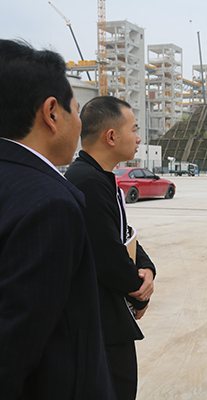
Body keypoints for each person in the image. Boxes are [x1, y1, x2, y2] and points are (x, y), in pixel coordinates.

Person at [0, 40, 116, 399]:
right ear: (51, 113)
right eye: (76, 110)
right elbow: (13, 350)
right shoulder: (49, 204)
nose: (79, 123)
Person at [64, 96, 156, 400]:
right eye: (134, 129)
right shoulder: (87, 181)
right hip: (99, 324)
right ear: (112, 136)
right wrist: (139, 293)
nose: (139, 138)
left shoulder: (98, 176)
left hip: (107, 319)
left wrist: (147, 267)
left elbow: (122, 234)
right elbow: (107, 258)